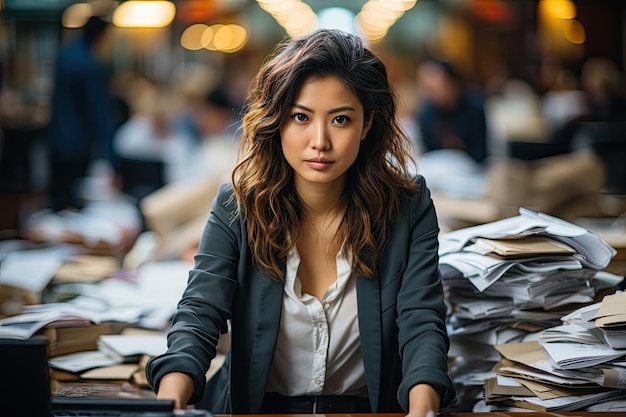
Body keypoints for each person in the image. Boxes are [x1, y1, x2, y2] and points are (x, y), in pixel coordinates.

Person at [145, 29, 455, 416]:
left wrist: (422, 410)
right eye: (301, 117)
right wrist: (167, 403)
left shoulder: (407, 206)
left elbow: (421, 320)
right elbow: (199, 314)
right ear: (277, 122)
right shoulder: (238, 205)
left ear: (367, 125)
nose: (320, 141)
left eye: (340, 119)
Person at [47, 15, 117, 211]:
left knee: (57, 196)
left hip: (57, 136)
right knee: (71, 201)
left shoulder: (65, 55)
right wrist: (109, 153)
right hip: (78, 142)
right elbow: (97, 110)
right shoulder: (89, 65)